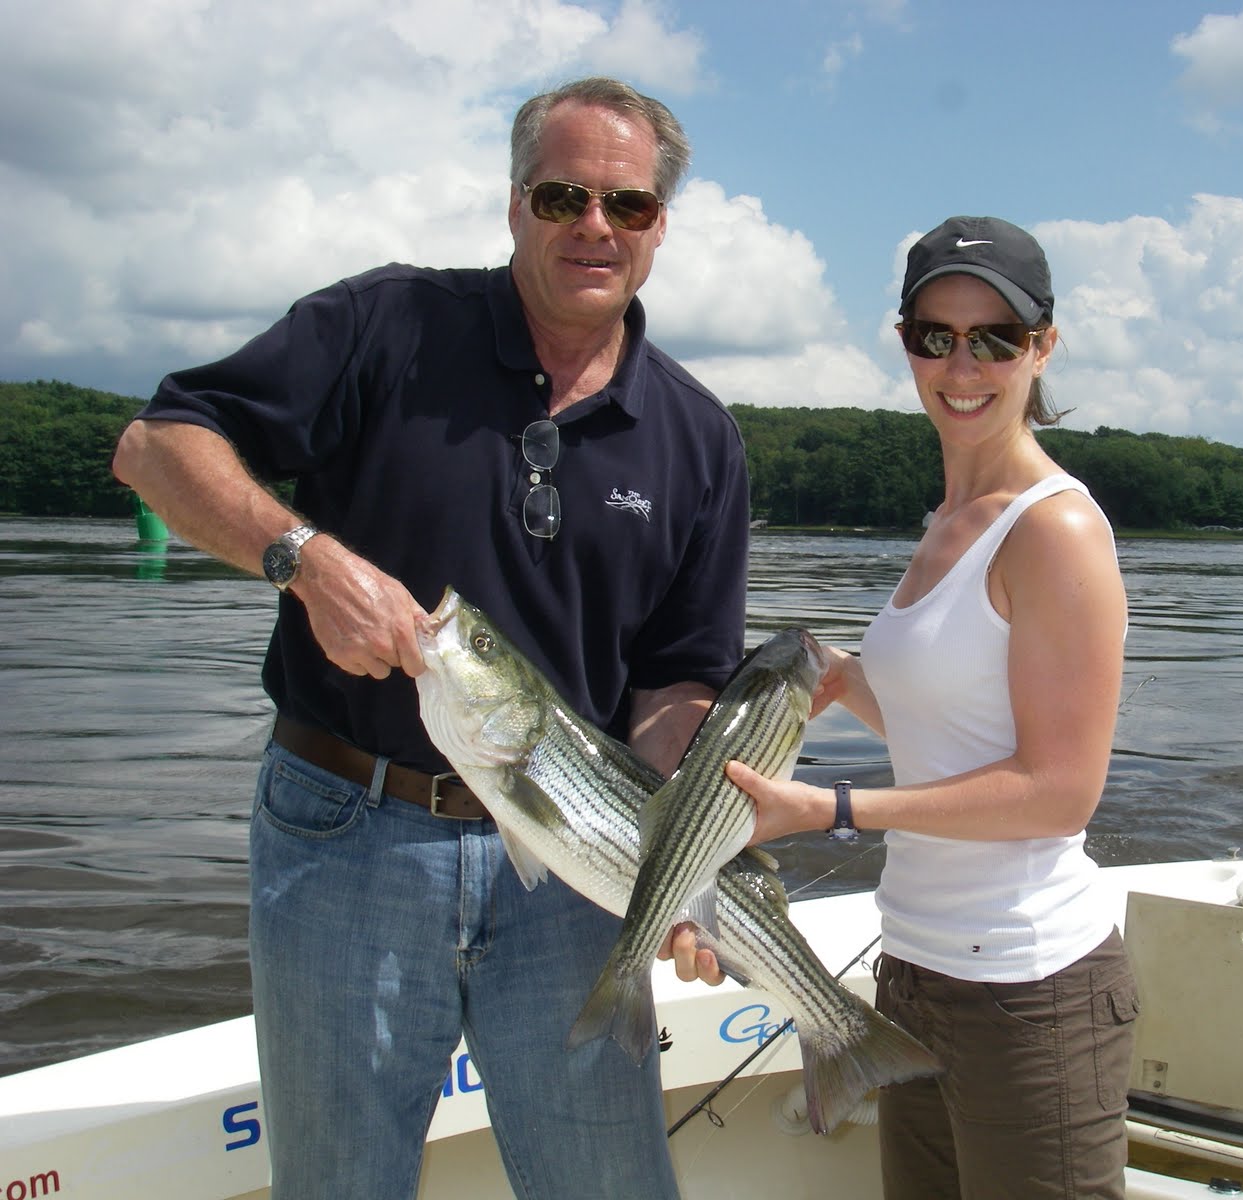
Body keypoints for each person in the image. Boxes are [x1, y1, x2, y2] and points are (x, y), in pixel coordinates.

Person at [112, 77, 749, 1199]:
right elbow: (157, 447)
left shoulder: (697, 436)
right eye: (562, 196)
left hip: (570, 863)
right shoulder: (386, 326)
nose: (593, 226)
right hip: (343, 833)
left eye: (627, 205)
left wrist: (680, 863)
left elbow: (678, 684)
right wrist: (301, 559)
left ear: (660, 226)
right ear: (514, 206)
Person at [721, 216, 1138, 1199]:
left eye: (995, 338)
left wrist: (830, 810)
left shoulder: (1057, 531)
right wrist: (840, 677)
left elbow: (1056, 794)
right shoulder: (947, 520)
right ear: (904, 342)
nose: (963, 364)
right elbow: (947, 725)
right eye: (934, 336)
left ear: (1042, 348)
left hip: (1030, 995)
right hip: (912, 974)